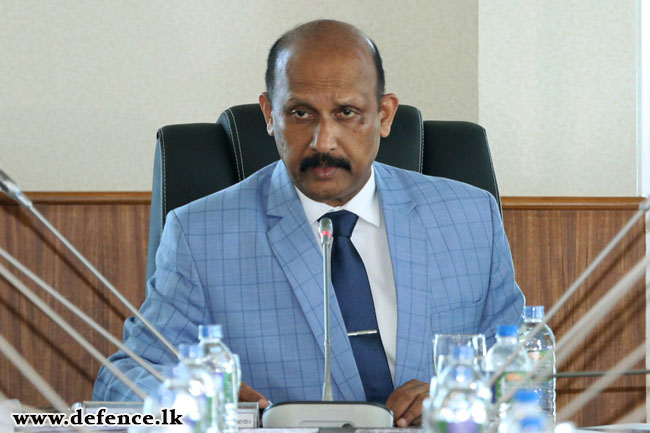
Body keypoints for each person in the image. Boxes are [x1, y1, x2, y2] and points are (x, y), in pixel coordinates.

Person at [93, 19, 524, 426]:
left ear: (385, 115)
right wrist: (194, 398)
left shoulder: (469, 217)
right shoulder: (199, 233)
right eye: (301, 113)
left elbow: (524, 369)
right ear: (268, 113)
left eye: (347, 113)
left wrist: (466, 396)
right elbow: (125, 381)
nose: (323, 141)